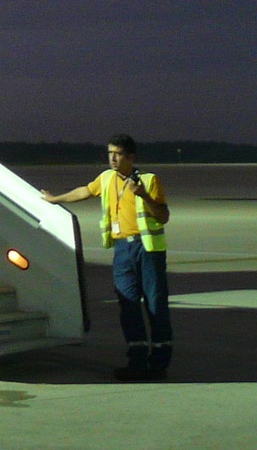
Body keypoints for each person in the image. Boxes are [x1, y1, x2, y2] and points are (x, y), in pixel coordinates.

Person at [43, 135, 172, 379]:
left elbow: (163, 215)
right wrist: (55, 199)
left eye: (118, 153)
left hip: (148, 250)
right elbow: (85, 191)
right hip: (122, 250)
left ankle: (159, 363)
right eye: (110, 153)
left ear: (131, 157)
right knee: (128, 305)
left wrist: (143, 195)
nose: (112, 158)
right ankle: (137, 362)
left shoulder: (149, 180)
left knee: (155, 305)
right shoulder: (106, 178)